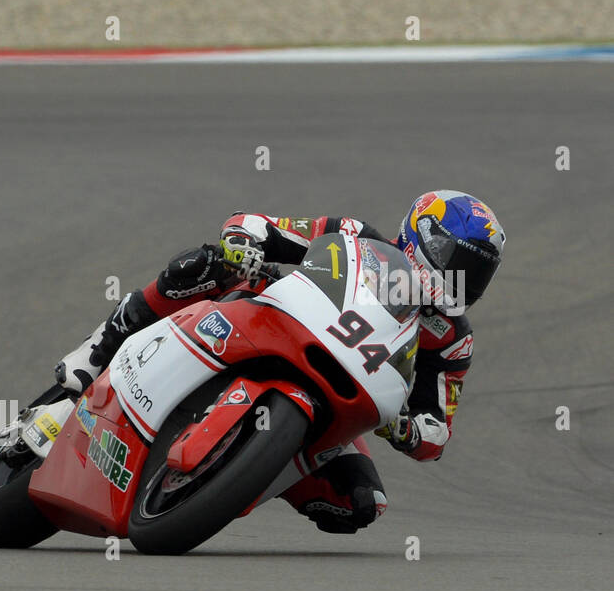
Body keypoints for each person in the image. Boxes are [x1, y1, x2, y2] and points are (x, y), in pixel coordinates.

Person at [55, 190, 504, 532]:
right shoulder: (355, 236)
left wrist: (407, 430)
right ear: (421, 238)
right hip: (270, 319)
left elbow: (437, 432)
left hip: (335, 389)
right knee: (209, 263)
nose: (461, 278)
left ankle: (251, 468)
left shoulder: (451, 340)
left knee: (361, 502)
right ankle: (101, 348)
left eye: (478, 271)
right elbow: (258, 223)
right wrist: (243, 242)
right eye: (456, 260)